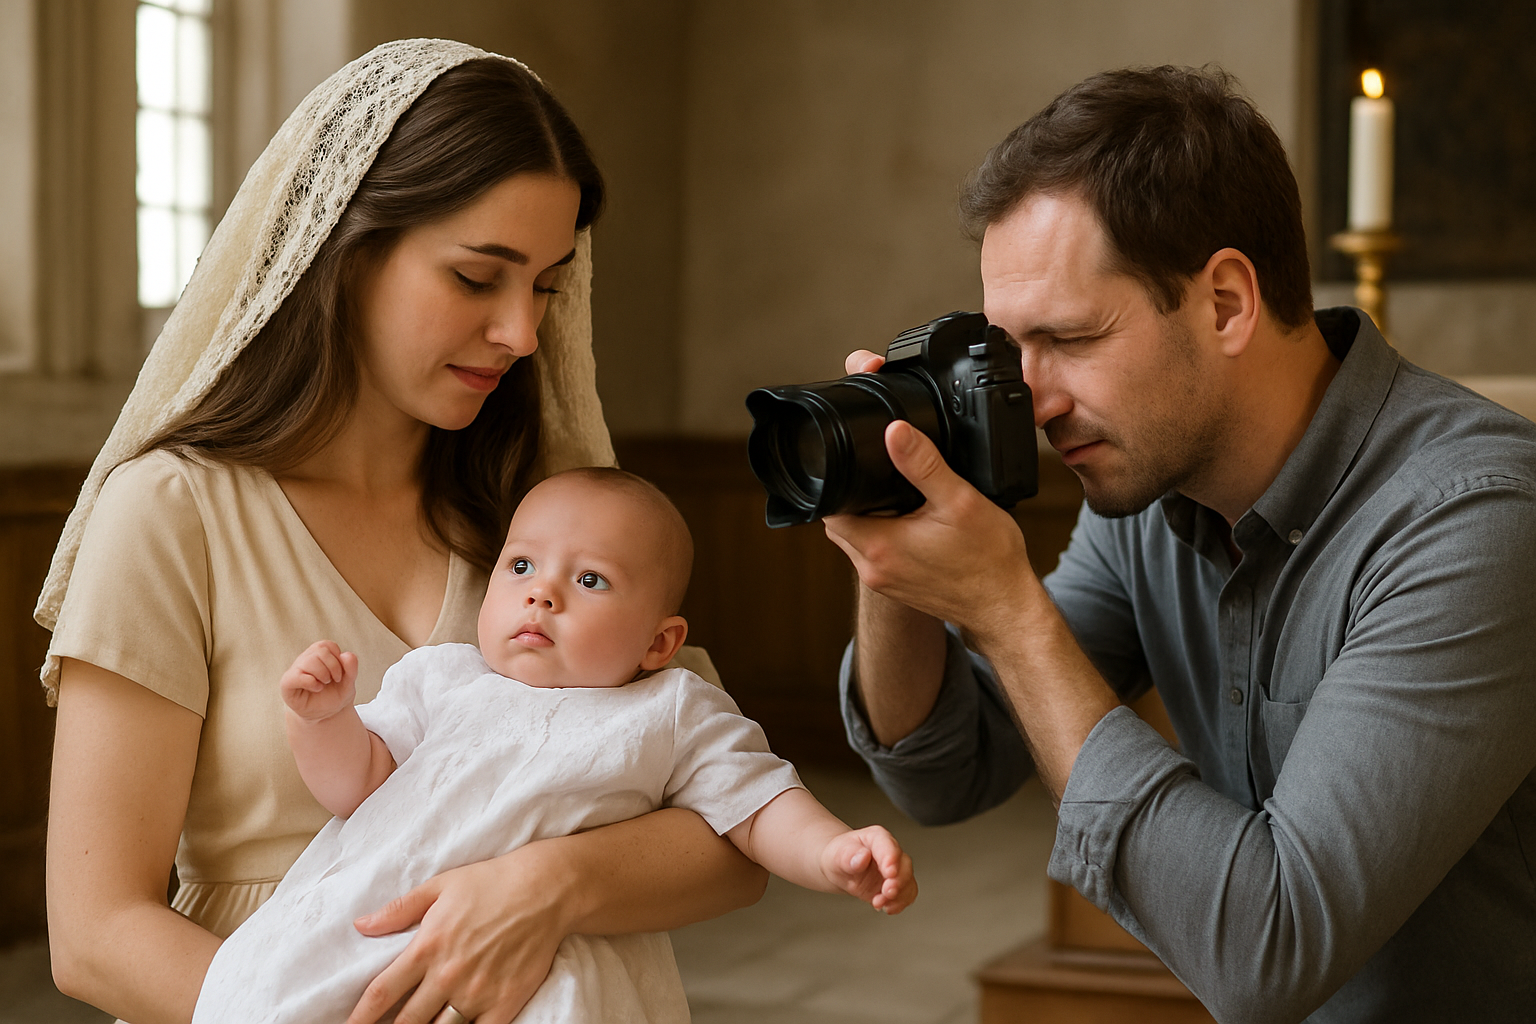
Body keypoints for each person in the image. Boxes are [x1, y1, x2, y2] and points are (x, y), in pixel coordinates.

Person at [41, 40, 772, 1024]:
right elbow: (95, 934)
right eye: (477, 277)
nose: (521, 332)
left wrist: (546, 885)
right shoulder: (173, 513)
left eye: (546, 286)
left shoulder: (544, 520)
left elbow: (732, 834)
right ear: (343, 251)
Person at [827, 65, 1536, 1023]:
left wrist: (1009, 613)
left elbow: (1265, 953)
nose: (1033, 399)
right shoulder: (1144, 501)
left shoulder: (1476, 521)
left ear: (1228, 302)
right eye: (1011, 349)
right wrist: (888, 527)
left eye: (1071, 337)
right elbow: (945, 772)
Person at [192, 467, 916, 1024]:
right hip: (376, 924)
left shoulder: (670, 709)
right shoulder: (442, 679)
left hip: (551, 962)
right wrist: (323, 721)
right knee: (268, 994)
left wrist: (831, 851)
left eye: (590, 579)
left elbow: (758, 805)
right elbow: (356, 784)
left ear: (659, 642)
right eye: (521, 567)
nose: (542, 595)